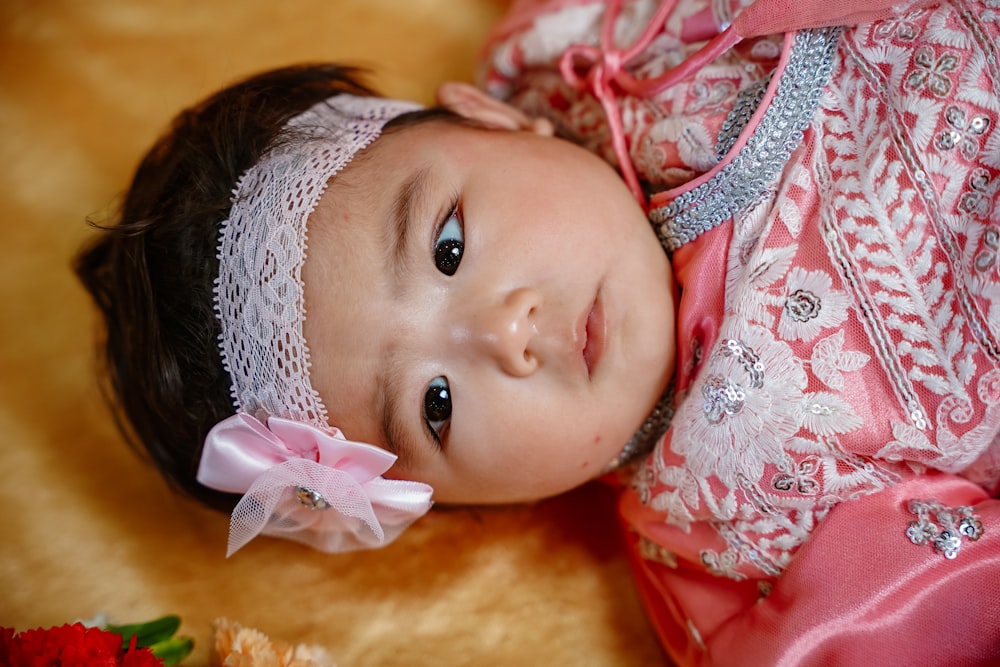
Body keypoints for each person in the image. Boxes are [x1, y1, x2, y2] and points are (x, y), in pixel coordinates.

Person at [75, 0, 1000, 663]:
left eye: (448, 244)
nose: (504, 332)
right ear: (455, 507)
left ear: (493, 117)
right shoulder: (731, 538)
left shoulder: (600, 36)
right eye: (434, 405)